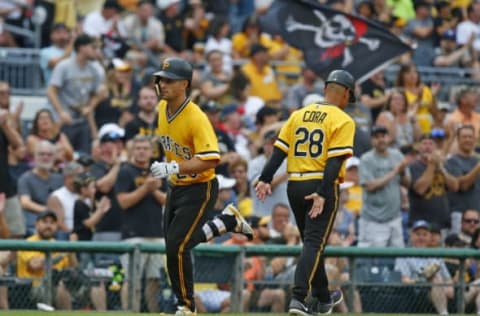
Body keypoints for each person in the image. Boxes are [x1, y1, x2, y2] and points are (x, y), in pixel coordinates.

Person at [150, 57, 254, 315]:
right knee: (173, 246)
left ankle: (186, 307)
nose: (163, 85)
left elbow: (211, 158)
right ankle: (226, 222)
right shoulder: (162, 109)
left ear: (184, 84)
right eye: (161, 79)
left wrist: (174, 167)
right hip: (176, 186)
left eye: (169, 80)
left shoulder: (196, 116)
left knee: (177, 245)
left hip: (200, 186)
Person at [255, 69, 356, 315]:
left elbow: (279, 151)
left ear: (325, 89)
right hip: (319, 186)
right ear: (346, 94)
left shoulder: (298, 115)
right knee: (314, 243)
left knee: (312, 245)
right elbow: (333, 162)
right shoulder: (343, 119)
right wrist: (322, 193)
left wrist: (265, 178)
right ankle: (298, 297)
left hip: (295, 186)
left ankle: (322, 296)